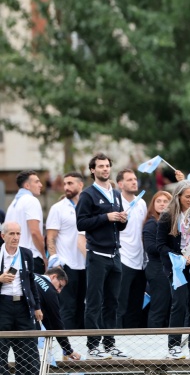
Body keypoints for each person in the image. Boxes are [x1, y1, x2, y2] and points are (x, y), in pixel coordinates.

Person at [76, 153, 130, 359]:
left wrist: (123, 219)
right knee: (94, 302)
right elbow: (81, 223)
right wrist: (105, 217)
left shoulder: (116, 194)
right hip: (97, 254)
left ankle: (109, 343)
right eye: (100, 166)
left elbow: (121, 226)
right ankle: (92, 345)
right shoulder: (88, 195)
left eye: (107, 166)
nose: (105, 169)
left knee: (112, 302)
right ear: (92, 170)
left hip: (115, 254)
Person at [157, 180, 190, 360]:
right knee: (179, 303)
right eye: (187, 197)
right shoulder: (167, 216)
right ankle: (174, 345)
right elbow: (160, 245)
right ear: (178, 196)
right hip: (176, 265)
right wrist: (178, 257)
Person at [0, 221, 43, 375]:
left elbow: (31, 282)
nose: (16, 237)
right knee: (1, 349)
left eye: (18, 234)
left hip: (23, 306)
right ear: (3, 236)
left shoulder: (26, 253)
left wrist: (37, 306)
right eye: (11, 234)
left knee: (27, 350)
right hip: (3, 305)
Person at [46, 172, 87, 330]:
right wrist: (55, 259)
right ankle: (67, 349)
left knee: (84, 308)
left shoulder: (88, 206)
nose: (66, 187)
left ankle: (84, 347)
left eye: (70, 183)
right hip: (67, 265)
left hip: (86, 264)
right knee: (67, 308)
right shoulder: (58, 208)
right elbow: (50, 237)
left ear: (80, 185)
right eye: (65, 184)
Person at [116, 169, 148, 328]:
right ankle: (113, 342)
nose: (134, 182)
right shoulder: (115, 202)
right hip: (122, 258)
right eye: (129, 180)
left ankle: (133, 343)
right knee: (120, 305)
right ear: (120, 184)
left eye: (135, 179)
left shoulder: (141, 202)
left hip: (140, 261)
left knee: (136, 305)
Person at [33, 267, 82, 360]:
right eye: (60, 286)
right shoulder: (50, 291)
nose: (59, 291)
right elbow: (56, 323)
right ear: (53, 277)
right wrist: (68, 350)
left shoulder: (33, 275)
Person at [5, 170, 45, 273]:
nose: (40, 185)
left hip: (13, 258)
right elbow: (35, 232)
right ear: (27, 185)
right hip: (31, 258)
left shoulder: (12, 204)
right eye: (36, 182)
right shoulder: (31, 200)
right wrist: (44, 256)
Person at [143, 191, 173, 328]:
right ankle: (153, 339)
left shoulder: (171, 222)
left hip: (168, 269)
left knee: (168, 308)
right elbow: (150, 248)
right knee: (159, 308)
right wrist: (171, 250)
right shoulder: (151, 223)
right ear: (153, 205)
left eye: (165, 201)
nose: (162, 204)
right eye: (158, 201)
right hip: (157, 270)